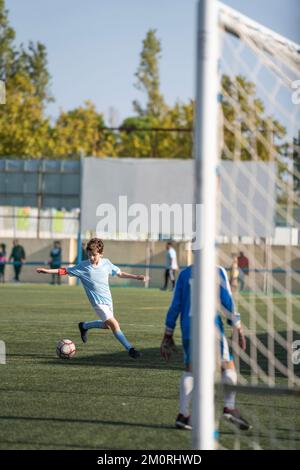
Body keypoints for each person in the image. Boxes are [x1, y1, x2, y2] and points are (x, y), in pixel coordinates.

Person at [160, 264, 251, 431]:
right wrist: (237, 326)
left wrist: (168, 333)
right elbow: (227, 301)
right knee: (227, 366)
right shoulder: (217, 270)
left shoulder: (184, 274)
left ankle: (183, 415)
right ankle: (229, 408)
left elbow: (175, 305)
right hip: (212, 329)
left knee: (190, 370)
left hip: (189, 328)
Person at [37, 238, 148, 359]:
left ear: (101, 254)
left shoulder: (106, 263)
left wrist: (137, 277)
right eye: (89, 255)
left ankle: (84, 326)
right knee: (115, 325)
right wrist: (47, 271)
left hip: (108, 300)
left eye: (94, 255)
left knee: (107, 326)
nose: (91, 258)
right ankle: (130, 349)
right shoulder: (83, 267)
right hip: (98, 303)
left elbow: (120, 273)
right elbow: (64, 271)